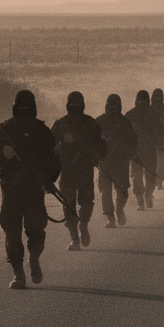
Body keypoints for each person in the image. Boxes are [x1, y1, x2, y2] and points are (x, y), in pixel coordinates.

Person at [0, 90, 61, 289]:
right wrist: (2, 150)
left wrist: (48, 181)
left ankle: (34, 260)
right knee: (12, 232)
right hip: (10, 191)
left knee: (36, 231)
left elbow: (54, 162)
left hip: (34, 191)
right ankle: (19, 274)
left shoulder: (42, 131)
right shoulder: (3, 128)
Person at [51, 91, 108, 249]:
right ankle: (76, 236)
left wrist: (94, 155)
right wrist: (62, 139)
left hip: (82, 170)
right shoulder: (62, 125)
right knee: (72, 203)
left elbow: (102, 146)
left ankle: (81, 229)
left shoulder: (89, 123)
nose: (75, 107)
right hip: (70, 170)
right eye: (73, 104)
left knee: (82, 202)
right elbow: (48, 145)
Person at [96, 93, 139, 227]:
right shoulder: (99, 121)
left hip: (122, 160)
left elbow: (133, 140)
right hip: (105, 160)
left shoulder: (125, 122)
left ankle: (119, 208)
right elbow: (92, 140)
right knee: (106, 189)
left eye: (115, 105)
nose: (113, 108)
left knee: (123, 188)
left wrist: (131, 152)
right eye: (111, 105)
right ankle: (110, 217)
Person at [125, 90, 164, 210]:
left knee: (140, 177)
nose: (142, 102)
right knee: (148, 176)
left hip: (138, 152)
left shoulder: (130, 114)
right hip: (146, 151)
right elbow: (160, 133)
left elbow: (124, 134)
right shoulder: (154, 114)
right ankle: (145, 198)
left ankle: (143, 200)